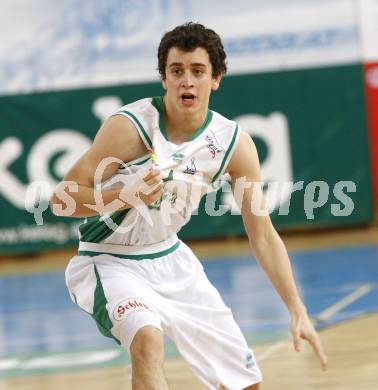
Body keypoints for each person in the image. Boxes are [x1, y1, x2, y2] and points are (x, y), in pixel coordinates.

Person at [50, 22, 328, 390]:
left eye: (198, 71)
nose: (187, 81)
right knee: (147, 340)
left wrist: (297, 307)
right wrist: (123, 196)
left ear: (216, 79)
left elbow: (262, 235)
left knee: (245, 385)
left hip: (172, 261)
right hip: (108, 260)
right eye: (176, 71)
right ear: (164, 79)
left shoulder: (233, 143)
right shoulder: (129, 128)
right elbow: (60, 200)